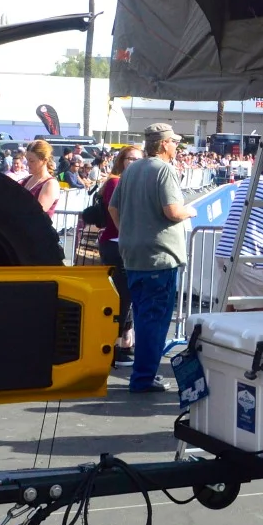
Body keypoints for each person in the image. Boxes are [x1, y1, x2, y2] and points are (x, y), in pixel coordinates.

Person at [109, 123, 196, 393]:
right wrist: (189, 212)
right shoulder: (164, 170)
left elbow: (113, 208)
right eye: (174, 142)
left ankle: (143, 375)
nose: (177, 147)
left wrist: (128, 231)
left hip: (133, 253)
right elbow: (172, 210)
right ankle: (144, 377)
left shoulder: (132, 169)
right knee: (154, 322)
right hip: (160, 256)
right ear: (163, 144)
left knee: (144, 315)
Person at [215, 153, 263, 305]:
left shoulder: (246, 182)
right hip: (247, 257)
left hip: (225, 252)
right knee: (256, 311)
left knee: (228, 309)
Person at [97, 145, 143, 367]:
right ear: (121, 160)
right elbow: (118, 212)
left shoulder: (126, 182)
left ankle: (124, 343)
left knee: (127, 295)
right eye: (130, 158)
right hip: (116, 245)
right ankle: (113, 345)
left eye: (138, 159)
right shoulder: (116, 182)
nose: (133, 162)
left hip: (121, 244)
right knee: (123, 296)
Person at [21, 139, 61, 216]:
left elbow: (37, 214)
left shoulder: (50, 184)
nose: (28, 164)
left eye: (32, 161)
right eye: (27, 160)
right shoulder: (27, 179)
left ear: (44, 160)